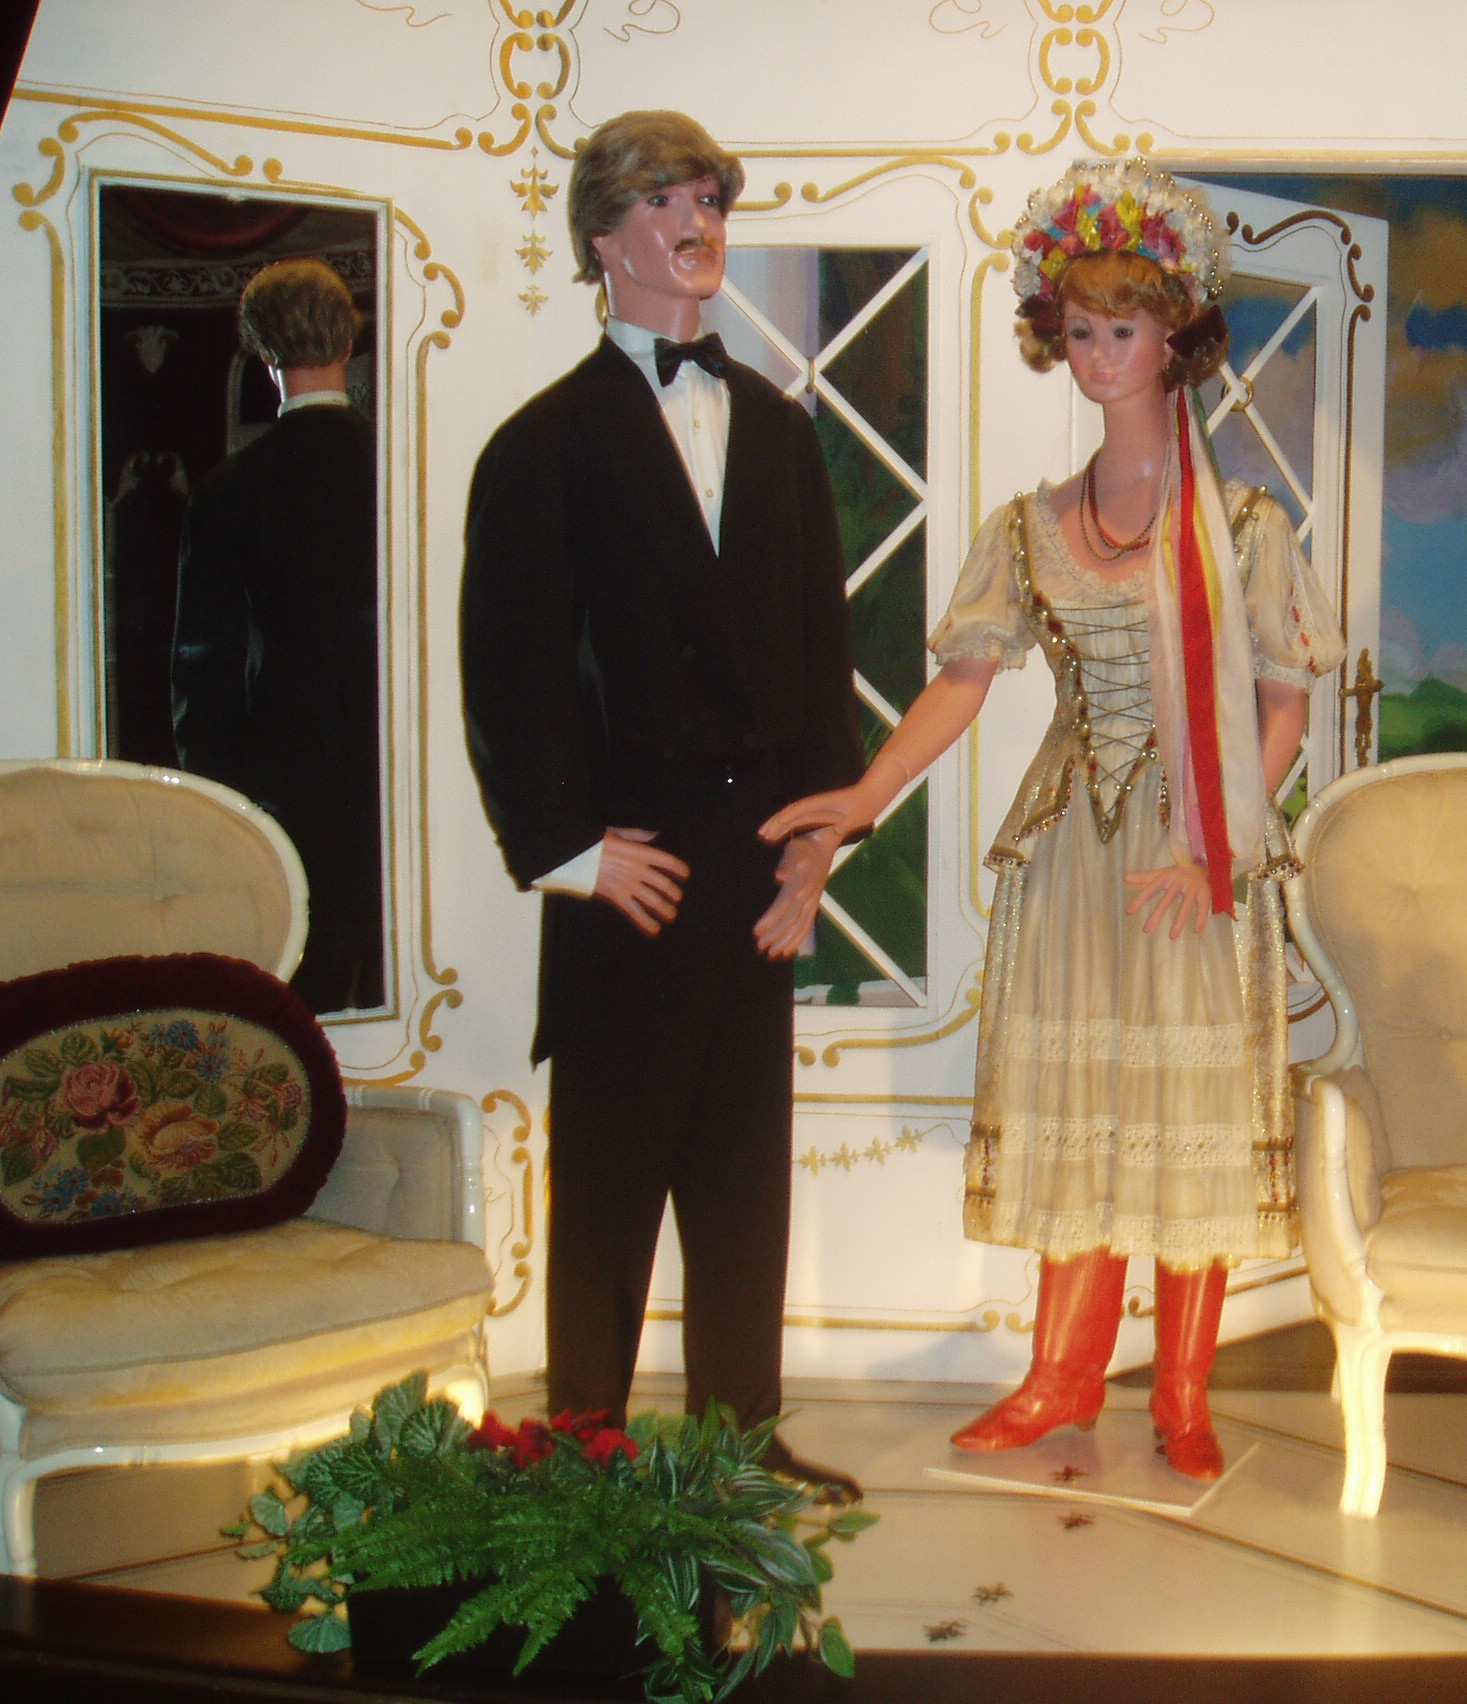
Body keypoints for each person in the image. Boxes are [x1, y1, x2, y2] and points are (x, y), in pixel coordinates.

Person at [762, 160, 1343, 1481]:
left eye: (1120, 329)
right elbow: (960, 685)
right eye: (1078, 331)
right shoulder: (1029, 527)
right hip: (1077, 850)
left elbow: (1284, 706)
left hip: (1194, 851)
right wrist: (861, 800)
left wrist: (1215, 849)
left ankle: (1182, 1391)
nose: (1095, 356)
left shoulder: (1241, 524)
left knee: (1188, 1101)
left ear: (1173, 339)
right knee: (1081, 1103)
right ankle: (1060, 1376)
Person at [459, 111, 865, 1498]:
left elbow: (821, 654)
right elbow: (508, 671)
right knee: (612, 1185)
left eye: (709, 201)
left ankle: (741, 1446)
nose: (698, 223)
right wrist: (573, 853)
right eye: (665, 202)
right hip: (630, 871)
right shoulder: (542, 446)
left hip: (755, 867)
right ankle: (581, 1454)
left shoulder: (783, 434)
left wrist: (818, 847)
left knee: (746, 1181)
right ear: (603, 238)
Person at [173, 257, 383, 1015]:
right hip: (406, 768)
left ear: (262, 352)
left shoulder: (227, 490)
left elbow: (205, 667)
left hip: (288, 777)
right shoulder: (406, 466)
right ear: (349, 340)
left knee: (303, 996)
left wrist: (220, 805)